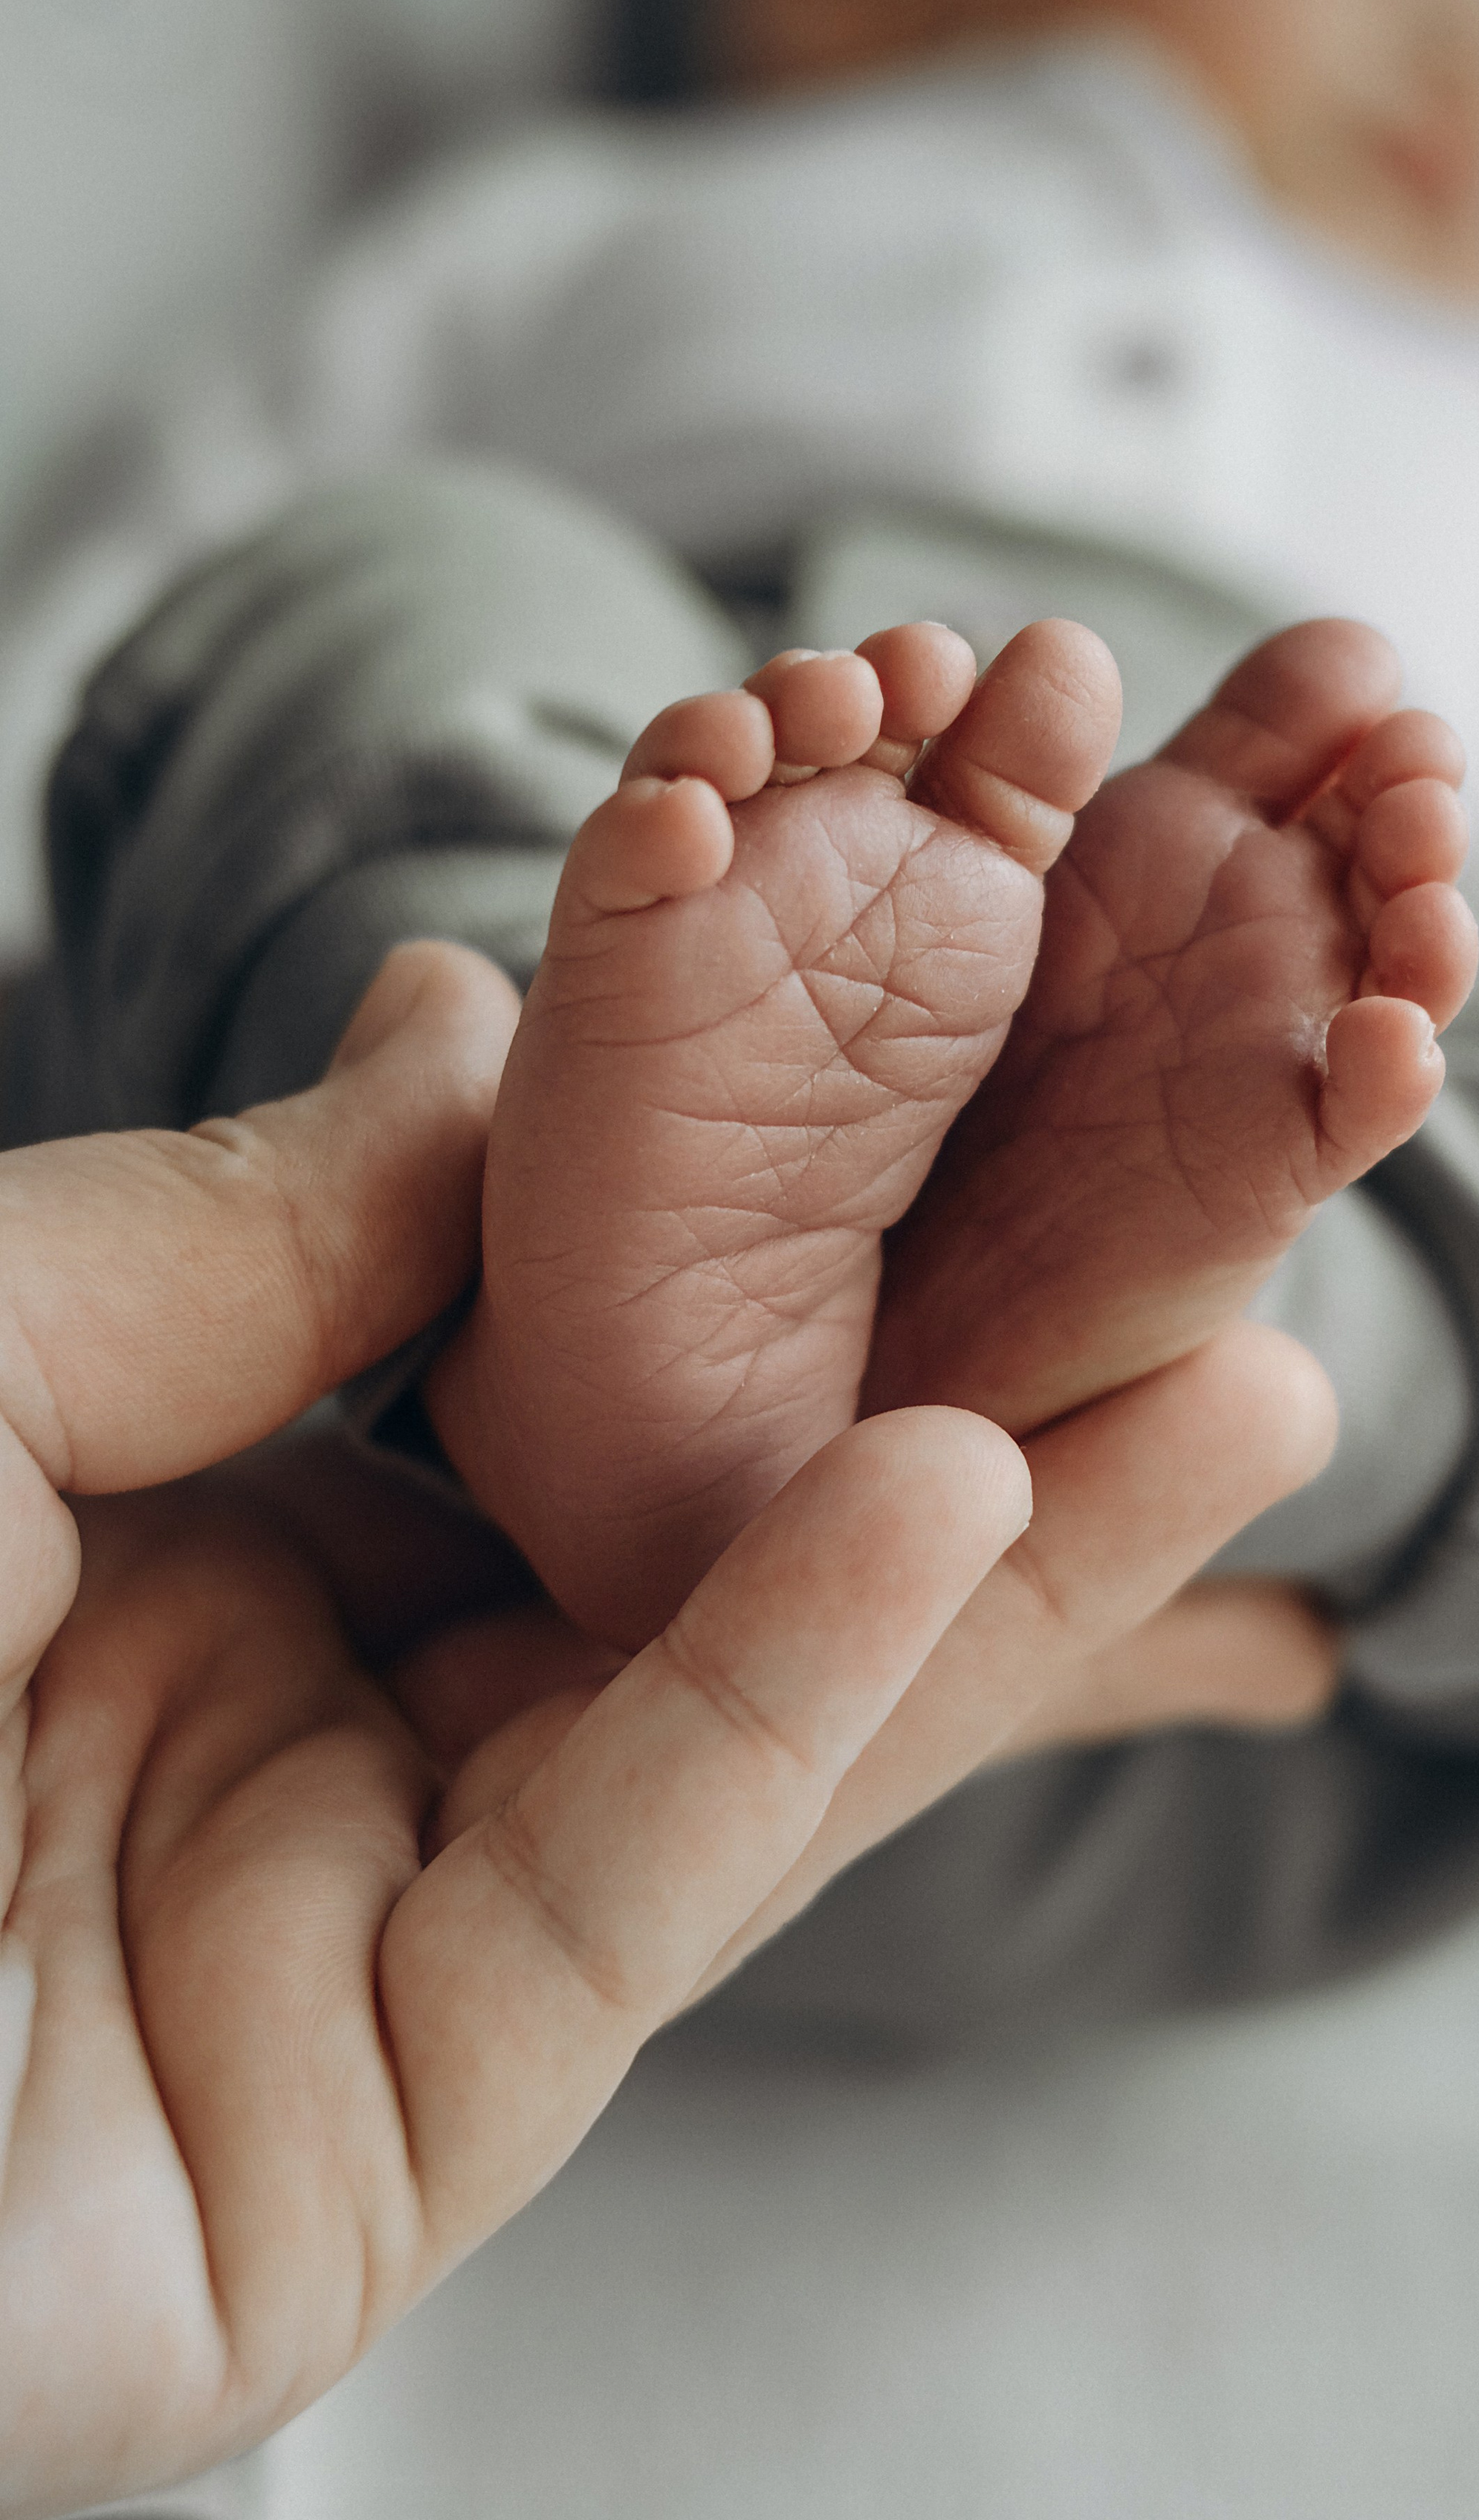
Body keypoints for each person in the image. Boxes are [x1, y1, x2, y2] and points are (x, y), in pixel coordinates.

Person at [1, 0, 1479, 2038]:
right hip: (417, 1528)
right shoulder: (599, 219)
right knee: (385, 587)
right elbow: (173, 584)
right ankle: (570, 1276)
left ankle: (1148, 1324)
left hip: (1149, 1662)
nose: (1462, 36)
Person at [0, 933, 1339, 2515]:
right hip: (472, 1717)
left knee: (1126, 1794)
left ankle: (580, 1307)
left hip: (270, 1513)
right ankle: (636, 1316)